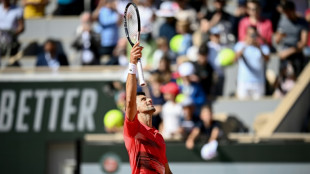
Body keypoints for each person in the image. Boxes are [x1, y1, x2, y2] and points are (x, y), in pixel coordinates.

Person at [124, 42, 172, 174]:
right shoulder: (133, 130)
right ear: (136, 108)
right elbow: (129, 100)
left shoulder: (158, 137)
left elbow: (166, 171)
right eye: (143, 99)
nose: (149, 99)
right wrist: (132, 63)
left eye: (147, 98)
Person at [275, 0, 309, 78]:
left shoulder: (302, 22)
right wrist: (279, 38)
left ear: (293, 10)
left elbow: (303, 42)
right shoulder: (282, 21)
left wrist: (290, 51)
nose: (287, 15)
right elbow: (277, 40)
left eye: (288, 12)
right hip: (284, 53)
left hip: (297, 53)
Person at [234, 25, 270, 100]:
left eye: (253, 34)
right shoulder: (240, 45)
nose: (251, 37)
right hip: (243, 82)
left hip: (258, 82)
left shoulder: (263, 47)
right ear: (246, 35)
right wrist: (245, 45)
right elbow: (235, 58)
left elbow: (267, 59)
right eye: (249, 34)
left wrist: (259, 48)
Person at [0, 0, 24, 65]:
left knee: (13, 61)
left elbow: (21, 27)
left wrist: (11, 33)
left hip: (12, 41)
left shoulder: (18, 10)